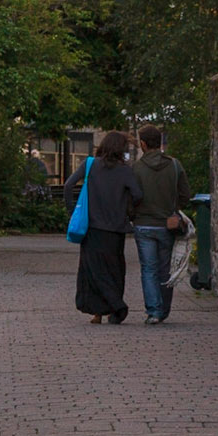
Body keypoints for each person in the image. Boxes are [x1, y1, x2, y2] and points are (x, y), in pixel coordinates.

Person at [64, 132, 141, 325]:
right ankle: (113, 309)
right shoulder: (125, 171)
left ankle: (97, 312)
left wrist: (72, 211)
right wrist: (128, 210)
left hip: (92, 227)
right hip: (115, 229)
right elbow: (138, 194)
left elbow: (69, 185)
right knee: (114, 270)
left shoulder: (91, 164)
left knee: (92, 270)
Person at [132, 125, 191, 324]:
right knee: (165, 268)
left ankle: (154, 311)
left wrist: (133, 215)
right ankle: (164, 310)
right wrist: (174, 208)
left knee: (149, 268)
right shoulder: (174, 165)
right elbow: (185, 194)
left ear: (143, 144)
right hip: (168, 224)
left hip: (143, 224)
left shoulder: (137, 168)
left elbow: (131, 197)